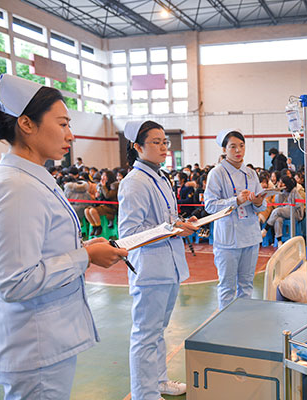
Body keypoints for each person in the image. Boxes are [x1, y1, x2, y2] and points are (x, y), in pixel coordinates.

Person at [0, 74, 126, 399]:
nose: (70, 135)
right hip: (33, 347)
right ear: (27, 124)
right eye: (62, 124)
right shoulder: (15, 187)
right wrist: (85, 257)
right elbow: (15, 281)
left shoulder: (29, 178)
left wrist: (84, 248)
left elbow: (40, 251)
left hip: (42, 342)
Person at [118, 120, 198, 399]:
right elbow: (130, 234)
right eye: (156, 142)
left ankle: (159, 381)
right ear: (137, 147)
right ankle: (144, 394)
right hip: (149, 270)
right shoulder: (135, 182)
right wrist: (173, 229)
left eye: (165, 141)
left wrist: (180, 223)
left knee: (158, 331)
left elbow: (163, 221)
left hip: (168, 265)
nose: (164, 147)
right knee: (145, 334)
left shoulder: (160, 176)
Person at [205, 129, 267, 309]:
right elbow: (210, 206)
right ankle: (226, 329)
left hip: (250, 235)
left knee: (247, 285)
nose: (238, 150)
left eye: (241, 146)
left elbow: (261, 207)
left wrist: (257, 202)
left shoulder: (251, 173)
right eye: (233, 147)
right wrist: (236, 201)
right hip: (228, 240)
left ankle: (243, 321)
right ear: (224, 149)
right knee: (227, 287)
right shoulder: (217, 173)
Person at [261, 175, 305, 246]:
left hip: (295, 213)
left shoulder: (294, 191)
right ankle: (279, 241)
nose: (280, 184)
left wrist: (288, 205)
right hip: (287, 211)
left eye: (282, 183)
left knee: (276, 211)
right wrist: (279, 191)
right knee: (278, 219)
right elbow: (278, 201)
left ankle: (265, 229)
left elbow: (299, 203)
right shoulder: (284, 191)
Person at [84, 170, 119, 235]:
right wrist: (97, 195)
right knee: (86, 210)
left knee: (92, 211)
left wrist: (103, 186)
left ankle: (99, 227)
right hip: (102, 205)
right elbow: (100, 199)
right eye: (102, 175)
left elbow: (108, 196)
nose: (103, 177)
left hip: (111, 207)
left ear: (109, 177)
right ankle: (94, 226)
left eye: (105, 175)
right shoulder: (100, 185)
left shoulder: (114, 185)